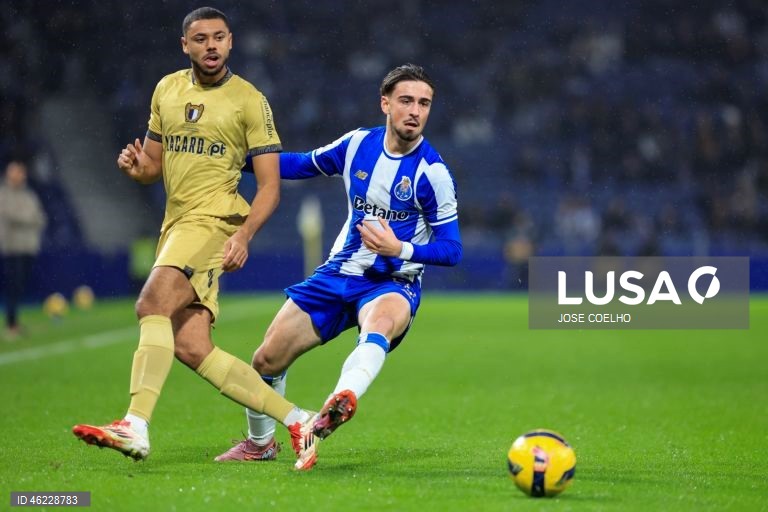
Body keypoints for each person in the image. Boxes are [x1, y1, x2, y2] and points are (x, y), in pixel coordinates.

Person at [72, 7, 317, 469]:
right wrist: (137, 168)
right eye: (201, 38)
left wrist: (244, 234)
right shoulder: (166, 89)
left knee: (151, 303)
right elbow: (153, 165)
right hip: (176, 224)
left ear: (230, 42)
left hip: (214, 220)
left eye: (219, 37)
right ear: (185, 44)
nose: (211, 46)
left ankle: (135, 424)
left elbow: (270, 186)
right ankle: (299, 420)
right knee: (190, 346)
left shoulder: (249, 100)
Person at [216, 64, 462, 470]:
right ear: (385, 104)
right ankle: (260, 445)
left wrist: (399, 248)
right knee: (265, 361)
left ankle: (339, 402)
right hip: (337, 274)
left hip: (392, 282)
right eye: (406, 101)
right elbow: (300, 164)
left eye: (424, 103)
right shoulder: (357, 144)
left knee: (380, 324)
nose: (415, 111)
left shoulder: (432, 174)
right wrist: (236, 160)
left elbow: (452, 250)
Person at [0, 160, 47, 341]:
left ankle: (14, 323)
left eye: (20, 172)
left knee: (19, 287)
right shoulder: (4, 194)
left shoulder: (29, 195)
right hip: (11, 248)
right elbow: (11, 215)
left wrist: (28, 217)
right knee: (12, 286)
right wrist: (29, 217)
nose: (19, 175)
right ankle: (11, 325)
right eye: (15, 172)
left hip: (28, 248)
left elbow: (41, 218)